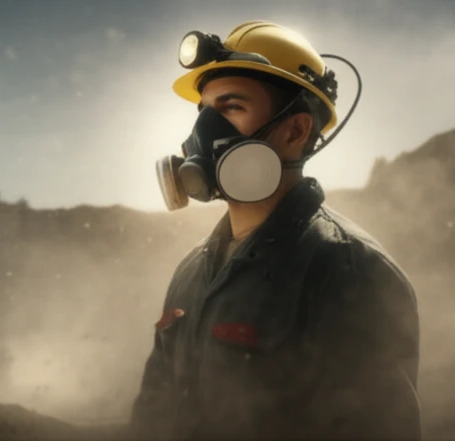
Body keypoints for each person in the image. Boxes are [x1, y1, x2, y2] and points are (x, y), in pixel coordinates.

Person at [133, 20, 421, 440]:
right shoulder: (191, 272)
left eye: (231, 108)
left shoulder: (351, 272)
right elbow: (152, 412)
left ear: (295, 129)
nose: (202, 135)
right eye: (204, 113)